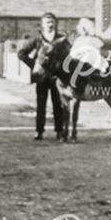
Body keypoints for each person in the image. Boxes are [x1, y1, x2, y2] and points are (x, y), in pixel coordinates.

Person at [17, 12, 67, 141]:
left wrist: (63, 67)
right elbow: (21, 53)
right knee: (41, 105)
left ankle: (59, 131)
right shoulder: (37, 39)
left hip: (57, 78)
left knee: (58, 105)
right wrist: (34, 65)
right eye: (47, 22)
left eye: (52, 22)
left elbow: (70, 54)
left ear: (55, 23)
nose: (50, 24)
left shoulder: (62, 39)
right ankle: (39, 131)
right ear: (43, 25)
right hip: (42, 77)